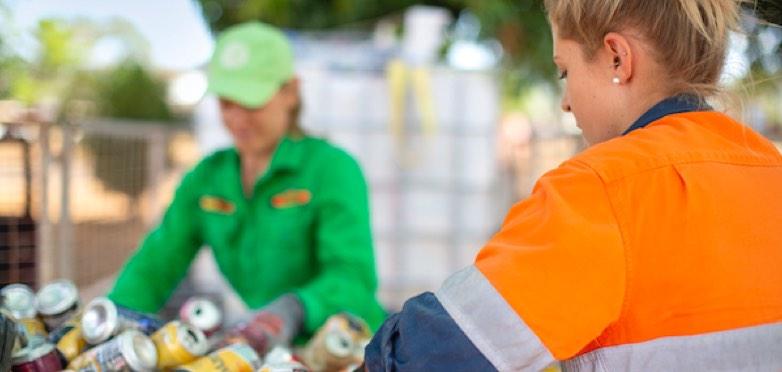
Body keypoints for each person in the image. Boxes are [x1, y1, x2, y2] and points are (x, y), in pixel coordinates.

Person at [363, 0, 782, 370]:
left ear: (618, 58)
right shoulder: (771, 171)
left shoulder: (601, 189)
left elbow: (431, 356)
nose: (565, 101)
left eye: (564, 71)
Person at [108, 22, 386, 351]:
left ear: (290, 92)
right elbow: (154, 266)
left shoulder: (332, 169)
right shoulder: (207, 178)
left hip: (348, 348)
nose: (237, 118)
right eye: (226, 102)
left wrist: (296, 308)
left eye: (251, 102)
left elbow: (353, 279)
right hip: (269, 350)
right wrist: (111, 318)